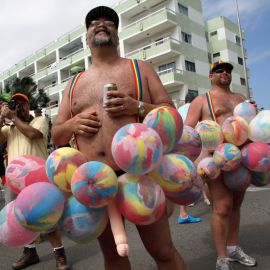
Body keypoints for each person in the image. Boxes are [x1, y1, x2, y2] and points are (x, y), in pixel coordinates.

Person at [51, 5, 186, 270]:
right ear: (87, 37)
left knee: (163, 251)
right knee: (114, 257)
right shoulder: (74, 83)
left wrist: (136, 106)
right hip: (96, 181)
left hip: (140, 175)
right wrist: (73, 123)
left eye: (109, 21)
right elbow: (56, 135)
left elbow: (170, 114)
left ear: (117, 32)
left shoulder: (140, 68)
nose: (101, 23)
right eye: (94, 22)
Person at [185, 61, 257, 270]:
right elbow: (188, 133)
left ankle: (233, 248)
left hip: (241, 160)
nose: (224, 73)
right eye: (219, 70)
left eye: (227, 70)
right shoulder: (201, 100)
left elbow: (252, 128)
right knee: (222, 208)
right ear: (210, 76)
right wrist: (200, 161)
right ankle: (222, 257)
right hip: (216, 161)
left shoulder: (241, 100)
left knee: (235, 206)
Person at [0, 93, 70, 270]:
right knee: (19, 218)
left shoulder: (39, 120)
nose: (18, 107)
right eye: (15, 104)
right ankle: (30, 253)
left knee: (46, 217)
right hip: (14, 181)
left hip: (37, 179)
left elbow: (33, 135)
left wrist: (12, 117)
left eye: (21, 104)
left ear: (28, 105)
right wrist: (1, 118)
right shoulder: (10, 128)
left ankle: (60, 255)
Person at [177, 93, 202, 224]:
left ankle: (184, 210)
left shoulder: (179, 109)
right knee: (196, 174)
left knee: (185, 175)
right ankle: (183, 212)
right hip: (192, 145)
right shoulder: (194, 108)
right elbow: (197, 128)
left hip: (179, 145)